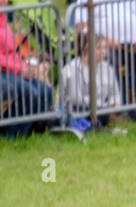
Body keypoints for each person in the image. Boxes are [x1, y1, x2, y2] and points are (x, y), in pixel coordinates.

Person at [0, 0, 54, 136]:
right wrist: (20, 70)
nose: (4, 2)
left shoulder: (4, 21)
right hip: (4, 72)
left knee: (45, 91)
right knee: (29, 93)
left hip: (12, 71)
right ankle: (9, 135)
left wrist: (26, 67)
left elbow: (13, 53)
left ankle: (29, 133)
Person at [60, 31, 125, 119]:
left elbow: (115, 93)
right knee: (101, 114)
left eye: (105, 48)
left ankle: (112, 118)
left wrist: (114, 104)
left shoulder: (107, 68)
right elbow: (77, 99)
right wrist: (103, 106)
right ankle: (110, 119)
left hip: (103, 107)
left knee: (135, 113)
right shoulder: (72, 68)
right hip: (79, 109)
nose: (103, 52)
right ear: (86, 49)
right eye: (98, 48)